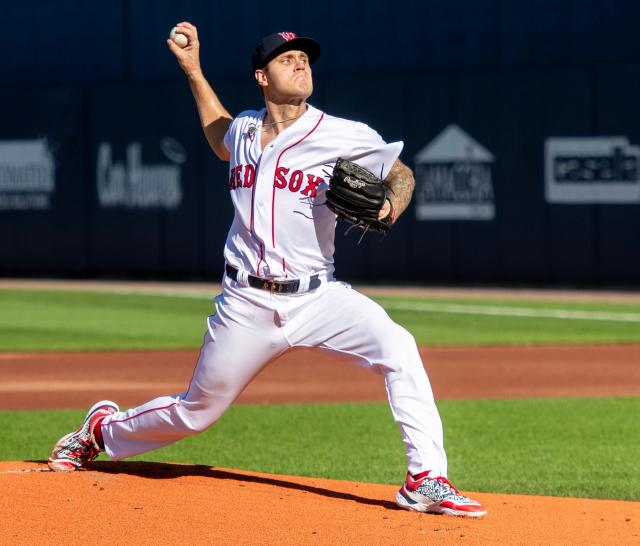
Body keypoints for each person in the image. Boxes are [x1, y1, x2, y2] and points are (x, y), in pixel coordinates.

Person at [48, 24, 487, 519]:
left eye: (305, 58)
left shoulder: (343, 134)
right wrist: (192, 70)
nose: (301, 64)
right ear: (262, 75)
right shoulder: (245, 132)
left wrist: (391, 207)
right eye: (287, 59)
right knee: (197, 411)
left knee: (398, 347)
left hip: (319, 297)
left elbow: (399, 172)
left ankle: (425, 478)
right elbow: (219, 134)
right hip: (246, 303)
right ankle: (101, 430)